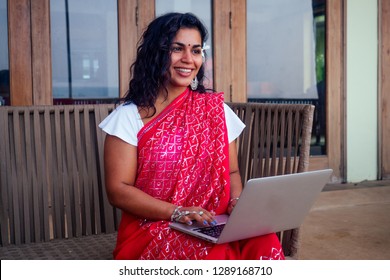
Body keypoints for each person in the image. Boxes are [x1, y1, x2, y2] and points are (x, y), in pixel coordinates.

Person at [99, 12, 285, 260]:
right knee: (210, 257)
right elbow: (118, 190)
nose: (188, 59)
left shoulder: (215, 110)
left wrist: (237, 202)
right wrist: (176, 212)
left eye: (196, 50)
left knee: (264, 240)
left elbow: (232, 172)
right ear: (157, 53)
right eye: (177, 49)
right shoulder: (128, 117)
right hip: (156, 225)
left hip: (215, 221)